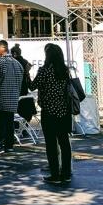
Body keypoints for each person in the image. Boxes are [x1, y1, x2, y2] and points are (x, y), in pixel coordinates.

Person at [30, 43, 73, 185]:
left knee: (51, 144)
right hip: (63, 111)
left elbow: (32, 86)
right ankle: (66, 173)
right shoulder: (64, 70)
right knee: (64, 143)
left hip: (49, 111)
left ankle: (54, 174)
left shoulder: (45, 71)